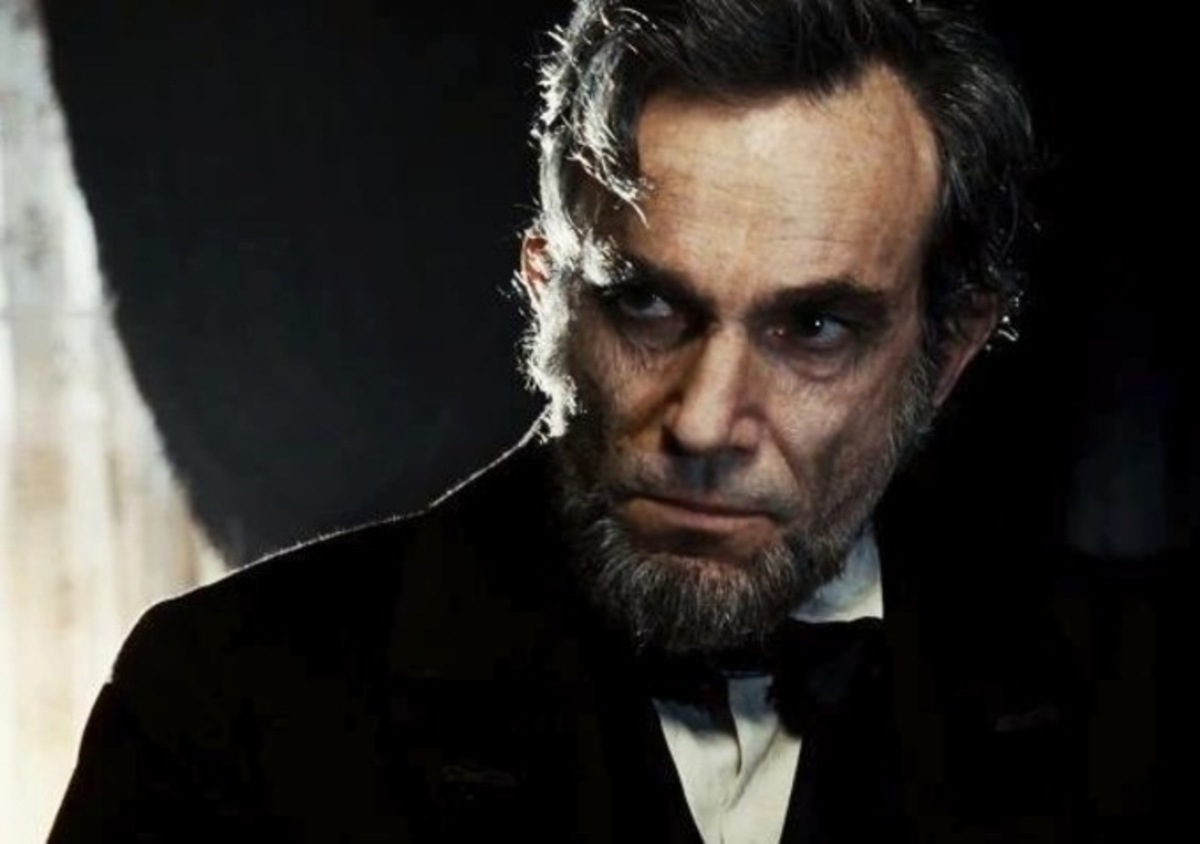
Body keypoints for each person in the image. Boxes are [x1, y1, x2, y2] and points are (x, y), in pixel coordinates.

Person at [51, 1, 1109, 841]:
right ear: (546, 292)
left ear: (948, 353)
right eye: (645, 303)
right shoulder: (224, 700)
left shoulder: (1132, 703)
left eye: (814, 327)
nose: (705, 423)